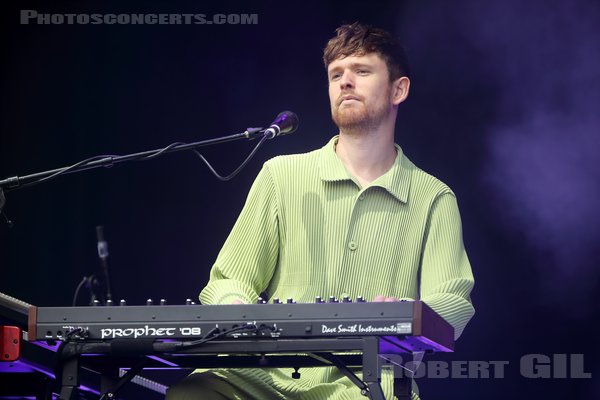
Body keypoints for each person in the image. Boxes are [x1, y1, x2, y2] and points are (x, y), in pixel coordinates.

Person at [167, 22, 475, 400]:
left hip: (365, 390)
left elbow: (454, 303)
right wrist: (236, 307)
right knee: (193, 394)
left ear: (399, 89)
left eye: (361, 71)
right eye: (336, 75)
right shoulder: (281, 175)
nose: (345, 82)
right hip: (258, 382)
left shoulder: (433, 198)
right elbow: (228, 278)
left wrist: (408, 311)